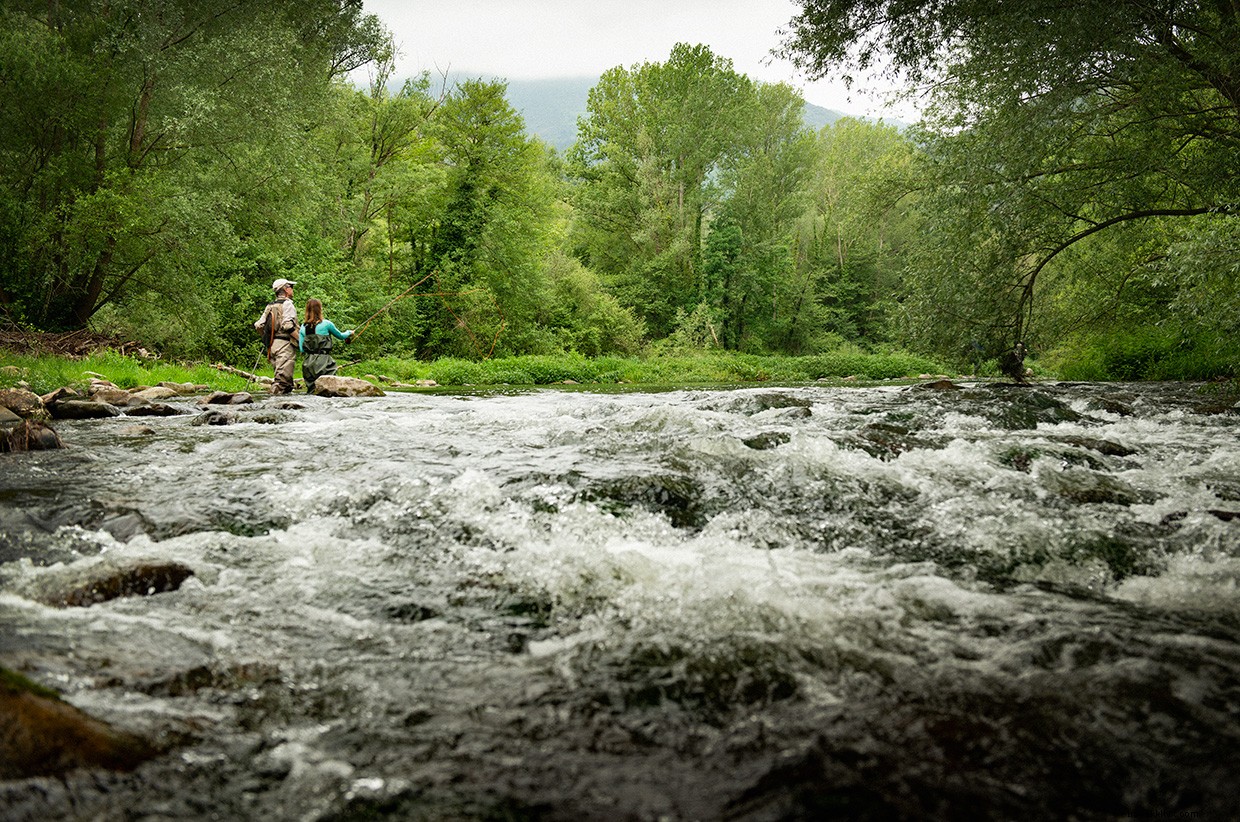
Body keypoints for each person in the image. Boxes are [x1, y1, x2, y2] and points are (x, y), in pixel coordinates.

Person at [298, 298, 354, 393]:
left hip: (308, 364)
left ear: (307, 310)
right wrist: (349, 332)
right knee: (329, 390)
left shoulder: (302, 327)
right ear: (320, 309)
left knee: (312, 392)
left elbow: (302, 349)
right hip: (324, 362)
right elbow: (340, 336)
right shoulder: (327, 324)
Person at [254, 279, 298, 394]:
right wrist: (302, 341)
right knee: (282, 382)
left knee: (285, 383)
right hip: (285, 345)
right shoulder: (288, 304)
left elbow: (258, 325)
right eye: (291, 287)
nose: (292, 289)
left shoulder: (270, 305)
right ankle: (273, 405)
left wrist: (266, 339)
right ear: (285, 289)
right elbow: (288, 326)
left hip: (272, 346)